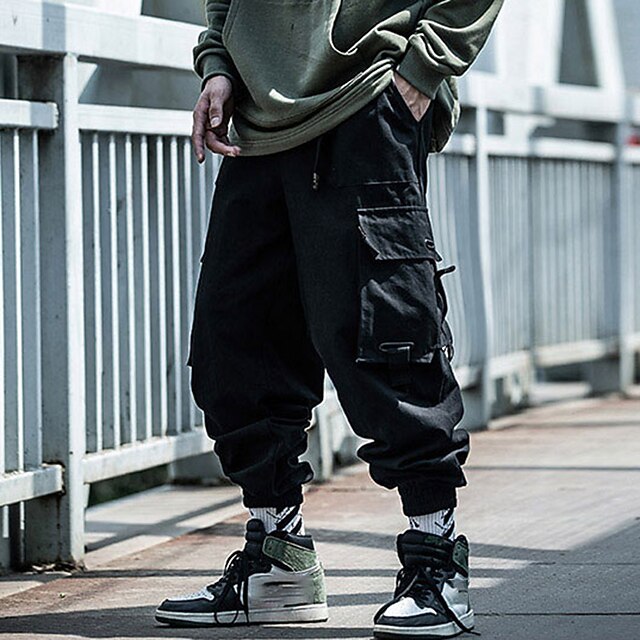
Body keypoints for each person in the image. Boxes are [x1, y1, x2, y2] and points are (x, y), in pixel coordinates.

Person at [156, 1, 503, 637]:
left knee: (387, 337)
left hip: (366, 98)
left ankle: (436, 560)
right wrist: (219, 63)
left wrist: (424, 70)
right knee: (235, 342)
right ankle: (279, 557)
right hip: (255, 118)